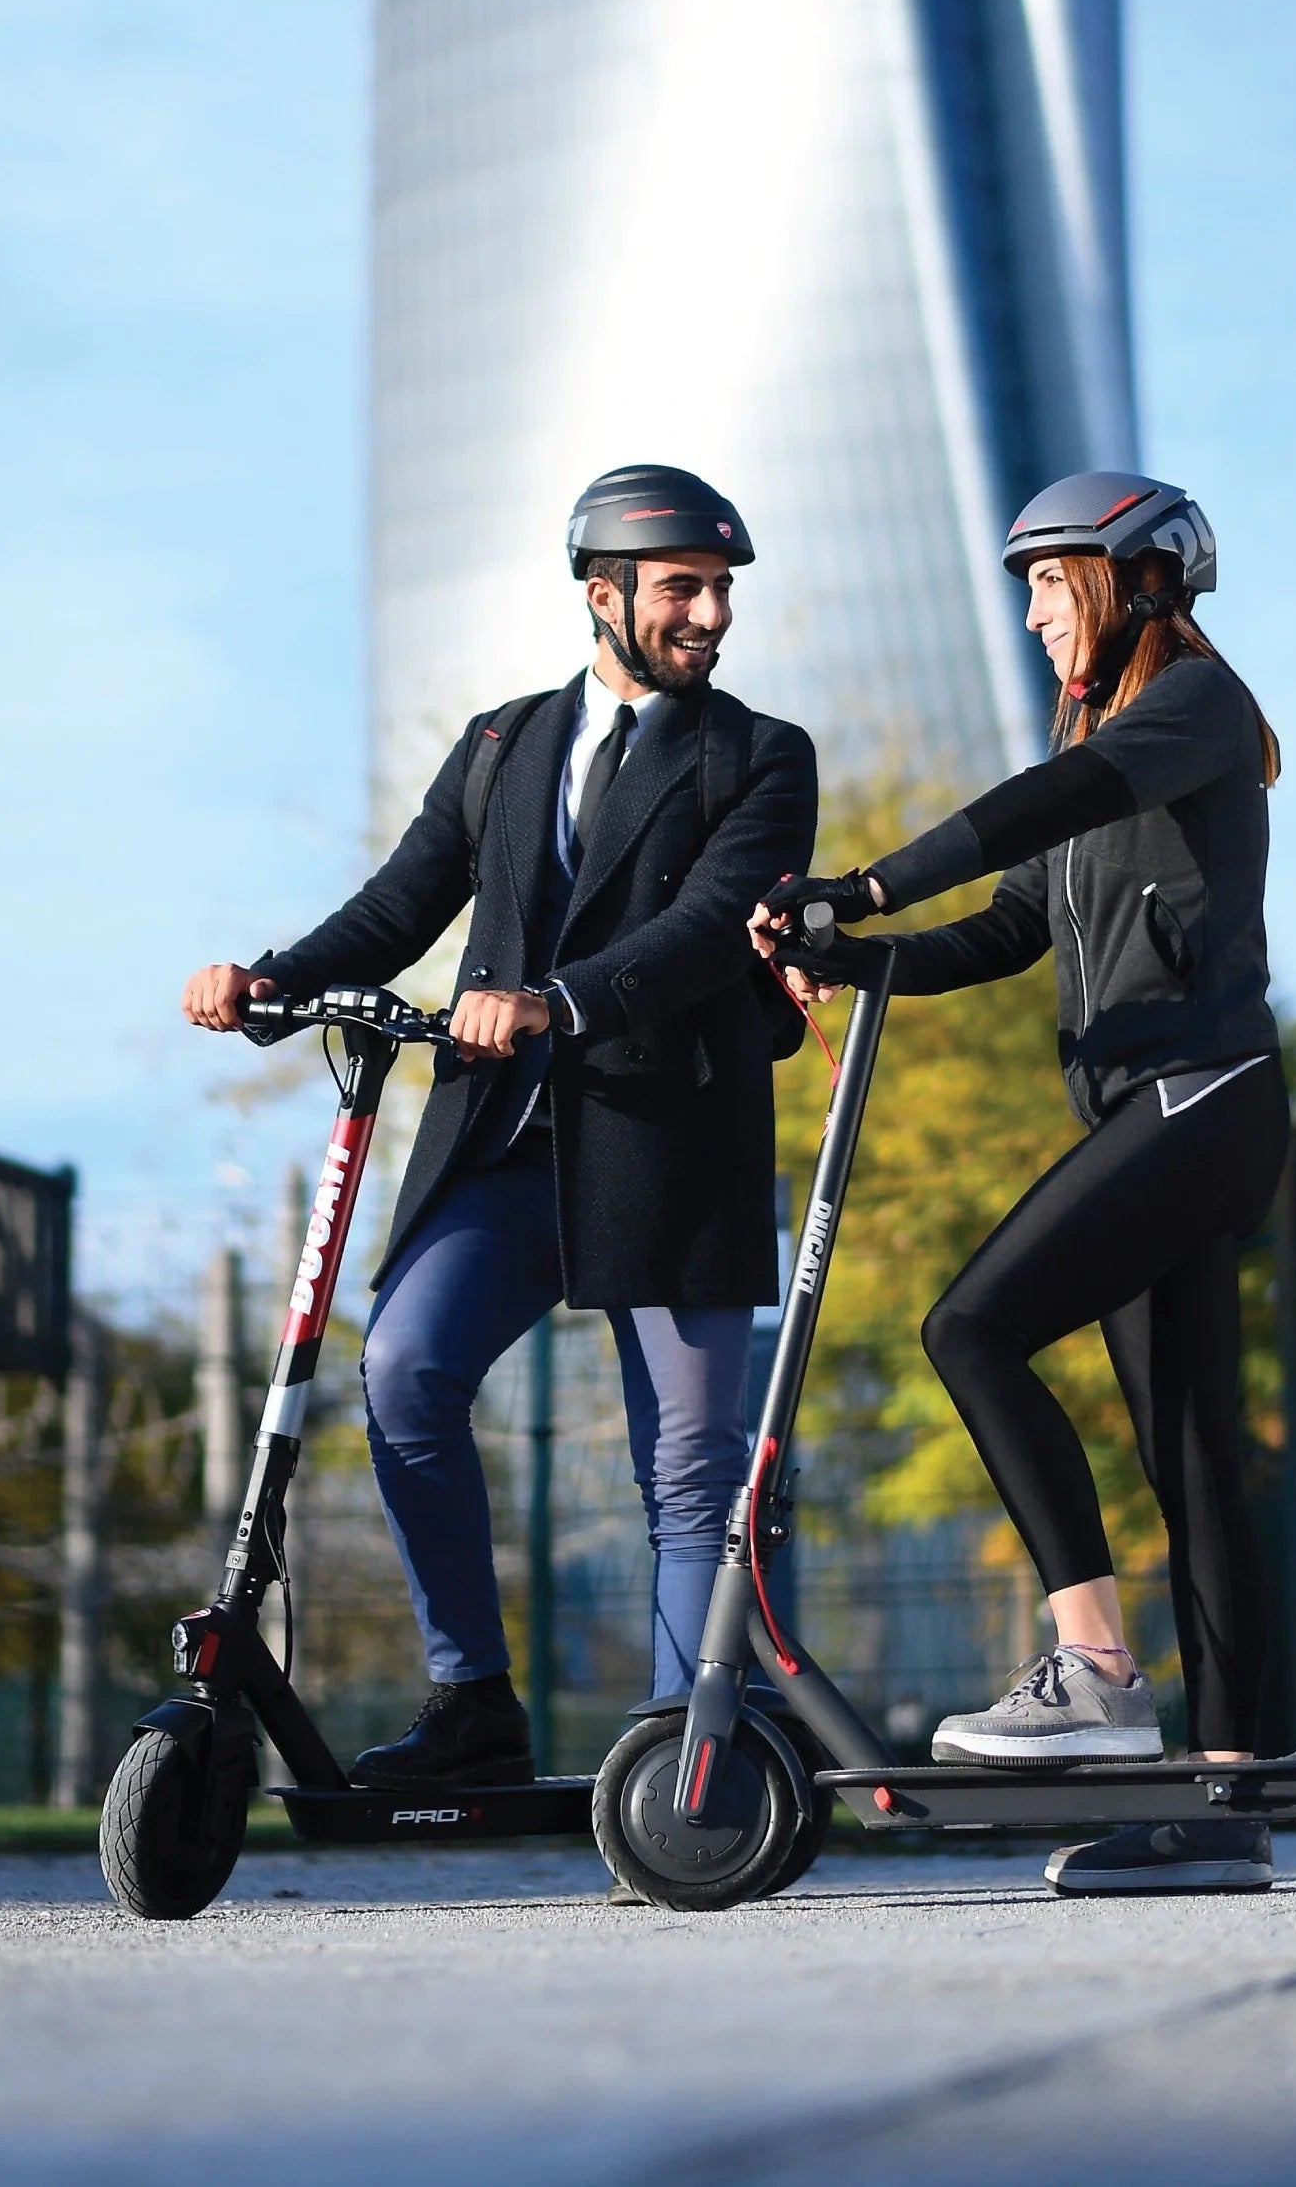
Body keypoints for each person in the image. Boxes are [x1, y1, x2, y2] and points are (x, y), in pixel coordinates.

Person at [185, 465, 817, 1789]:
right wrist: (269, 987)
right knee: (405, 1371)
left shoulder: (761, 756)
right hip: (505, 1148)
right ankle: (473, 1700)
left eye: (722, 591)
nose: (713, 613)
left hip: (668, 1142)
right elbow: (399, 904)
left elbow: (707, 929)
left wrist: (557, 1000)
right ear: (605, 595)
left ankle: (685, 1762)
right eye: (684, 588)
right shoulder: (501, 745)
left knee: (690, 1471)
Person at [754, 469, 1288, 1894]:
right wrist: (850, 953)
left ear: (1135, 583)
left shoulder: (1192, 711)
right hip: (1149, 1110)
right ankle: (1226, 1808)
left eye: (1055, 582)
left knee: (970, 1326)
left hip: (1205, 1096)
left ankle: (1098, 1669)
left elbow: (1034, 807)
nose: (1038, 612)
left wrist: (864, 882)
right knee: (1192, 1458)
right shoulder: (1103, 735)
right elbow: (1003, 927)